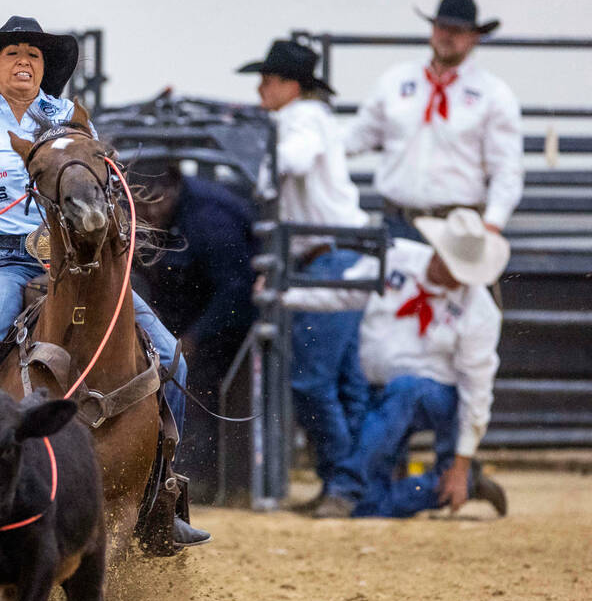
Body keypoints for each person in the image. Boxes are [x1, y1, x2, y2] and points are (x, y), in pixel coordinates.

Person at [0, 16, 210, 547]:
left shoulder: (70, 121)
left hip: (77, 263)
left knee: (168, 355)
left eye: (35, 56)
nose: (25, 62)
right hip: (5, 258)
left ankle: (162, 492)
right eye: (14, 53)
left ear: (46, 69)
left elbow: (102, 193)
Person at [281, 208, 509, 520]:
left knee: (407, 390)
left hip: (437, 398)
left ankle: (345, 488)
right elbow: (346, 293)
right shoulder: (398, 258)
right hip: (381, 392)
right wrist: (285, 295)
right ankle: (459, 486)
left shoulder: (480, 310)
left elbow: (477, 385)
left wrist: (462, 458)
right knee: (367, 505)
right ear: (439, 254)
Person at [238, 38, 370, 492]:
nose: (261, 89)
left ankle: (344, 482)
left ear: (291, 85)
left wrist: (265, 160)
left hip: (326, 260)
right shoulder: (307, 117)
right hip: (338, 255)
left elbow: (294, 157)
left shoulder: (302, 119)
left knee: (313, 381)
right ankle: (353, 483)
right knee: (344, 384)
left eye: (269, 81)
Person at [346, 0, 524, 243]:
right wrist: (317, 142)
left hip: (457, 226)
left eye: (458, 30)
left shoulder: (493, 94)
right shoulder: (396, 81)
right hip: (398, 220)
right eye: (442, 27)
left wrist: (493, 223)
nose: (447, 36)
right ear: (432, 29)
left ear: (474, 38)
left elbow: (506, 167)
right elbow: (359, 135)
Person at [129, 160, 257, 503]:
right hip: (179, 306)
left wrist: (196, 336)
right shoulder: (162, 214)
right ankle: (174, 472)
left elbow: (235, 290)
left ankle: (198, 477)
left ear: (172, 193)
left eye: (151, 204)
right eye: (138, 206)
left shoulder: (211, 219)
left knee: (198, 383)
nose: (145, 214)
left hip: (219, 316)